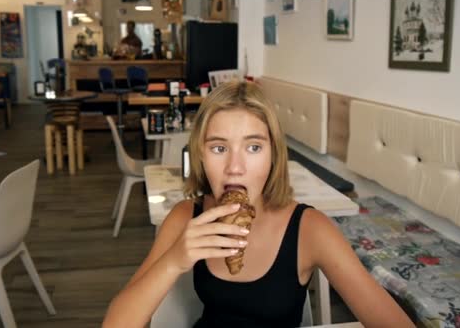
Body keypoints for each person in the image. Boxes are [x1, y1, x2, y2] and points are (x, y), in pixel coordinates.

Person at [103, 81, 414, 327]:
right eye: (218, 147)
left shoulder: (310, 228)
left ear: (273, 155)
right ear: (199, 155)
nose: (235, 167)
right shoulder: (187, 216)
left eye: (253, 147)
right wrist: (173, 261)